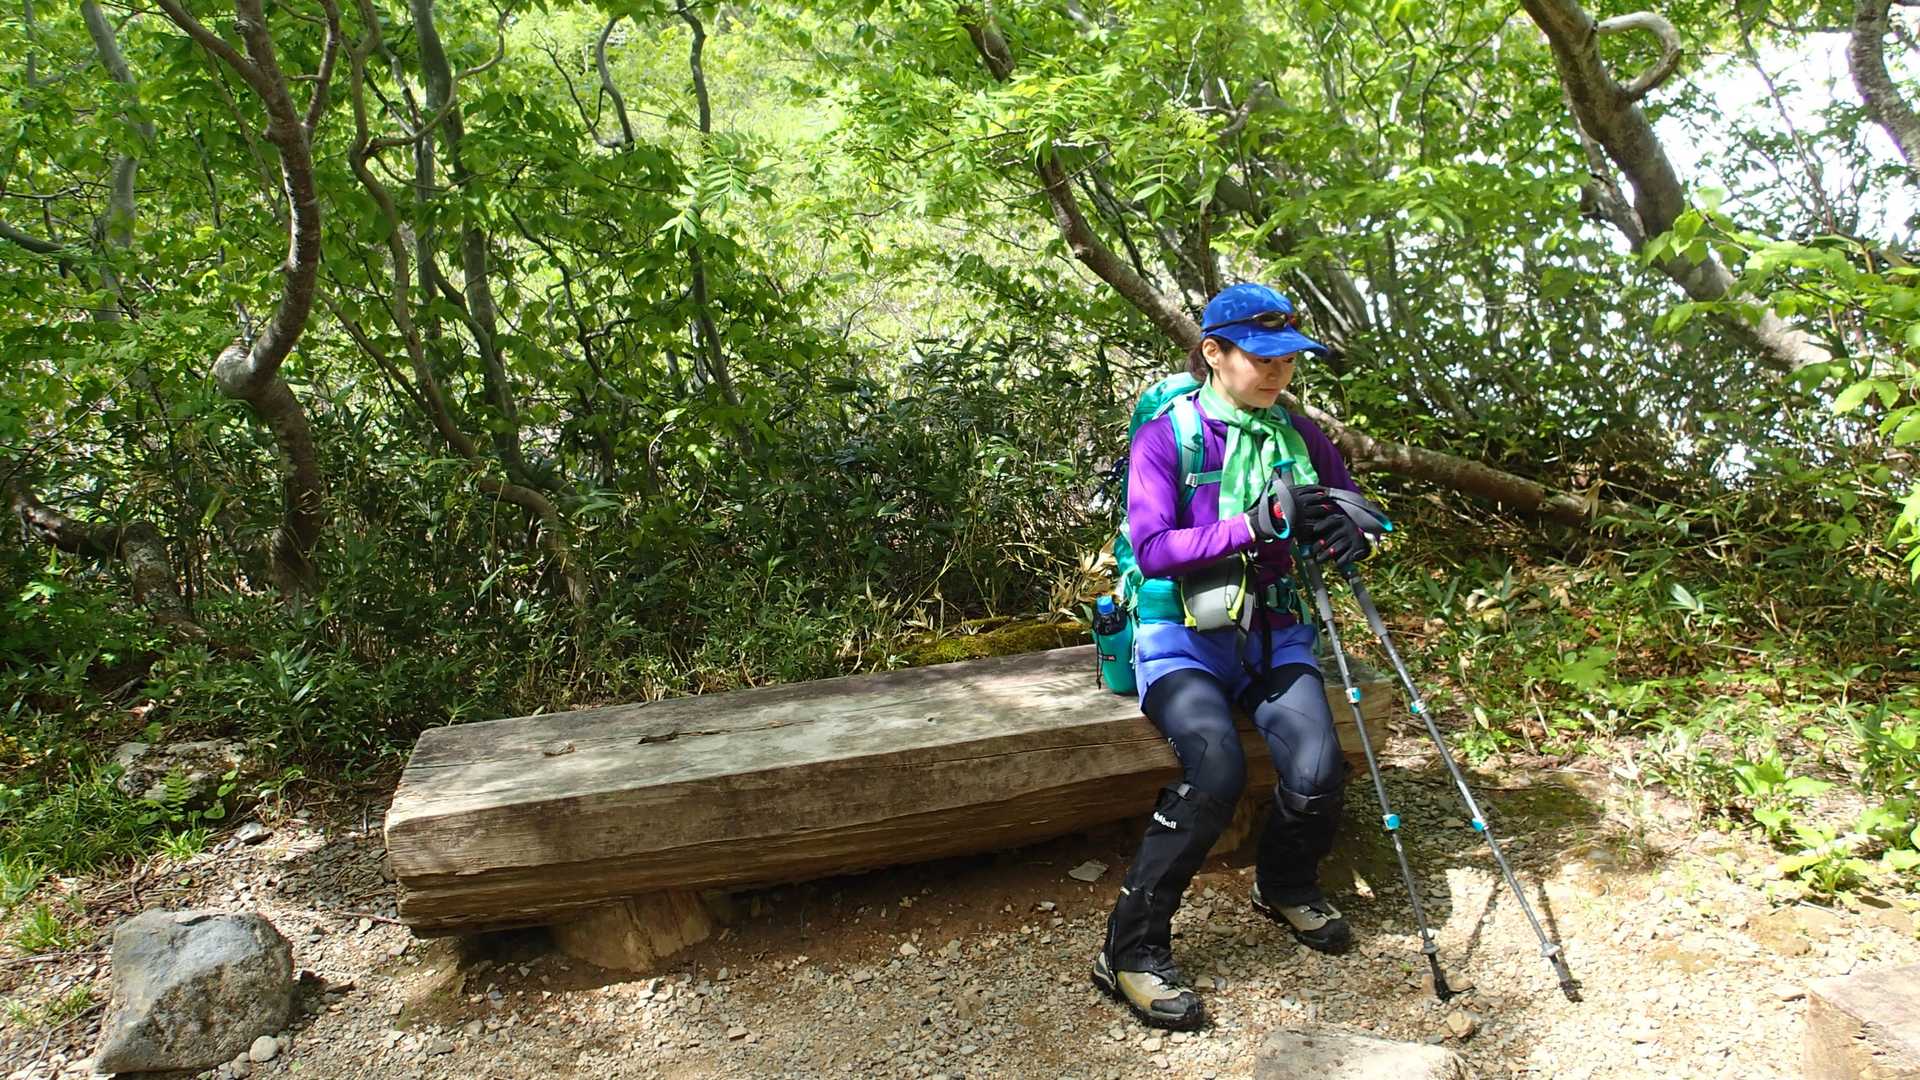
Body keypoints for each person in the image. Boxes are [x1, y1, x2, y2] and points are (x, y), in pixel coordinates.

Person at [1091, 283, 1376, 1031]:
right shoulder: (1169, 438)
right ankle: (1128, 951)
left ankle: (1285, 884)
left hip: (1273, 630)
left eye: (1288, 358)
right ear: (1213, 353)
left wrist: (1352, 532)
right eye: (1261, 356)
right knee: (1214, 769)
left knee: (1318, 769)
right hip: (1178, 633)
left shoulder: (1298, 435)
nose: (1278, 371)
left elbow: (1352, 507)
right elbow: (1155, 549)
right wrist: (1255, 523)